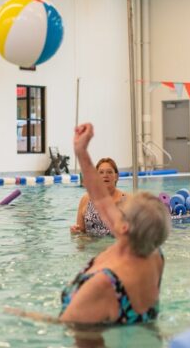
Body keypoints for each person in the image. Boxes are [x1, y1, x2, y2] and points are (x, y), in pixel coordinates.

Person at [60, 123, 169, 325]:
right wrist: (81, 152)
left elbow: (66, 325)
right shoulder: (155, 256)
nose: (114, 212)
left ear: (124, 226)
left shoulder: (104, 283)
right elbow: (102, 200)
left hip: (93, 340)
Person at [70, 157, 127, 237]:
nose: (105, 175)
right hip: (91, 244)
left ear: (116, 176)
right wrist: (75, 231)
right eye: (101, 172)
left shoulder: (126, 200)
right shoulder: (86, 199)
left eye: (109, 172)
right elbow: (81, 231)